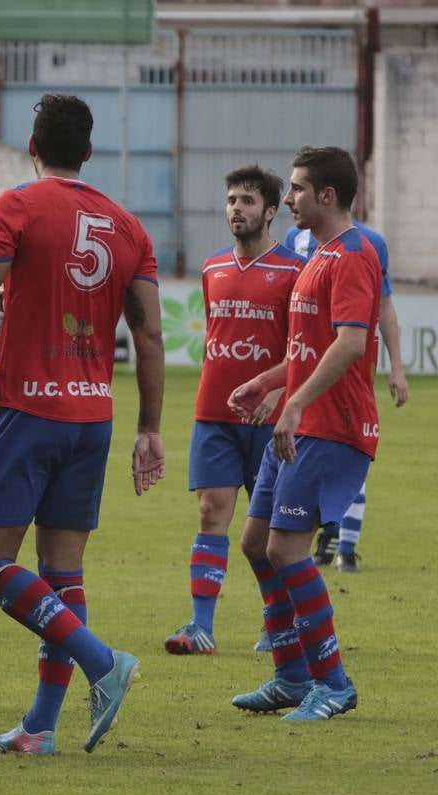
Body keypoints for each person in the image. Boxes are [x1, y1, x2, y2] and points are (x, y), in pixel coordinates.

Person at [0, 94, 164, 755]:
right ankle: (41, 727)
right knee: (61, 571)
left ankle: (102, 662)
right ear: (89, 151)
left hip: (28, 410)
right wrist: (149, 427)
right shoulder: (128, 225)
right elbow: (150, 333)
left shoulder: (16, 206)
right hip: (91, 417)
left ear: (31, 147)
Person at [226, 146, 381, 722]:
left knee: (287, 548)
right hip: (298, 419)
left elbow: (350, 344)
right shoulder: (318, 255)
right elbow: (306, 350)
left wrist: (291, 406)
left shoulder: (354, 255)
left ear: (327, 196)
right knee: (255, 543)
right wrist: (265, 384)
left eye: (294, 189)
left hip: (331, 426)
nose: (286, 198)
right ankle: (291, 678)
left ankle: (333, 683)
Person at [163, 165, 304, 656]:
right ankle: (201, 628)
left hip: (271, 419)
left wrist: (276, 396)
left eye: (247, 200)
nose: (236, 209)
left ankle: (278, 621)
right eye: (230, 200)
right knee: (210, 512)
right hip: (215, 414)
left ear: (270, 211)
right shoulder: (212, 269)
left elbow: (304, 351)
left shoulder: (294, 273)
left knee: (265, 535)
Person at [281, 218, 407, 574]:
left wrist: (396, 366)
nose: (292, 199)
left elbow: (384, 305)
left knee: (346, 456)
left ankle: (345, 546)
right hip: (305, 365)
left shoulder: (367, 244)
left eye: (300, 187)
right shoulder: (296, 236)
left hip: (347, 368)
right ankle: (327, 534)